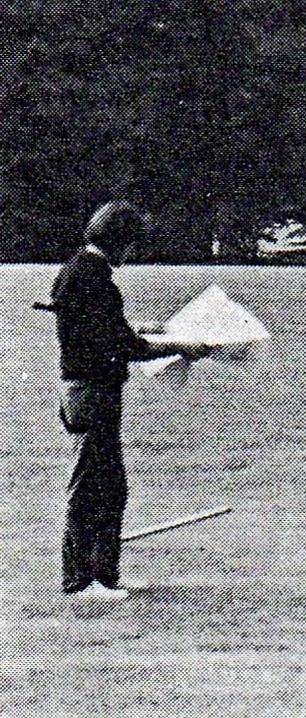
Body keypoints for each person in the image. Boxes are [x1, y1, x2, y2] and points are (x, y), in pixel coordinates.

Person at [50, 201, 208, 600]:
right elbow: (120, 345)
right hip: (93, 392)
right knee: (92, 485)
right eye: (132, 244)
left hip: (86, 391)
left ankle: (104, 577)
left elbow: (101, 330)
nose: (133, 253)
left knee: (110, 485)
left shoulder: (78, 272)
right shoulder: (95, 280)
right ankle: (80, 581)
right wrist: (178, 346)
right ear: (120, 241)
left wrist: (146, 330)